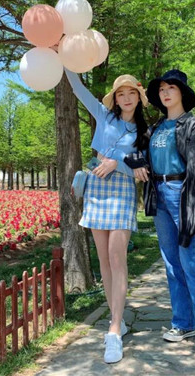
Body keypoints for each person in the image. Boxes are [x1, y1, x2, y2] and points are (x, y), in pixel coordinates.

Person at [126, 69, 195, 366]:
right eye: (161, 89)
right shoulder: (157, 127)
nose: (165, 92)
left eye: (171, 87)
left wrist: (192, 211)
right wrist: (136, 163)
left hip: (181, 194)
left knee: (194, 265)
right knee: (172, 264)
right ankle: (183, 323)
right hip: (159, 195)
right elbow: (135, 150)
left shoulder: (192, 125)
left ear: (182, 93)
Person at [65, 69, 149, 364]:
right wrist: (63, 57)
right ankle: (117, 318)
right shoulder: (104, 116)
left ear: (138, 97)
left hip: (122, 192)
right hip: (96, 189)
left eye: (131, 93)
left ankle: (113, 330)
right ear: (114, 98)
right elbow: (78, 88)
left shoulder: (144, 132)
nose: (126, 98)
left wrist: (117, 162)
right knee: (103, 261)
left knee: (117, 257)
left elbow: (142, 172)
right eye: (121, 94)